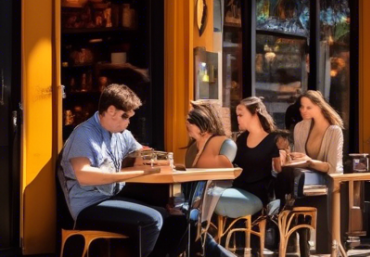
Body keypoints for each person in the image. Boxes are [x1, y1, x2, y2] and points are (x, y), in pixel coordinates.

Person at [58, 84, 234, 256]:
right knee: (152, 219)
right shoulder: (84, 134)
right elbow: (84, 175)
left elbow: (143, 152)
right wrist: (132, 173)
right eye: (125, 117)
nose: (128, 123)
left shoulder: (121, 134)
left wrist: (163, 160)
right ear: (111, 110)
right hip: (87, 206)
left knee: (181, 220)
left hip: (111, 198)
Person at [216, 97, 282, 232]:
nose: (238, 119)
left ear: (255, 113)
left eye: (241, 115)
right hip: (237, 187)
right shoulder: (241, 139)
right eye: (237, 115)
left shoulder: (274, 140)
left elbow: (279, 171)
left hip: (258, 193)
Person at [290, 90, 345, 175]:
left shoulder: (335, 132)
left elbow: (333, 168)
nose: (303, 110)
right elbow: (298, 164)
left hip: (330, 183)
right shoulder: (300, 127)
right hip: (306, 183)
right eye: (302, 107)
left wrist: (310, 162)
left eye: (309, 107)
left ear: (320, 107)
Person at [185, 101, 237, 168]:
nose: (188, 124)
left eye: (192, 121)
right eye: (188, 120)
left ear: (205, 122)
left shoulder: (226, 145)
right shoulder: (192, 149)